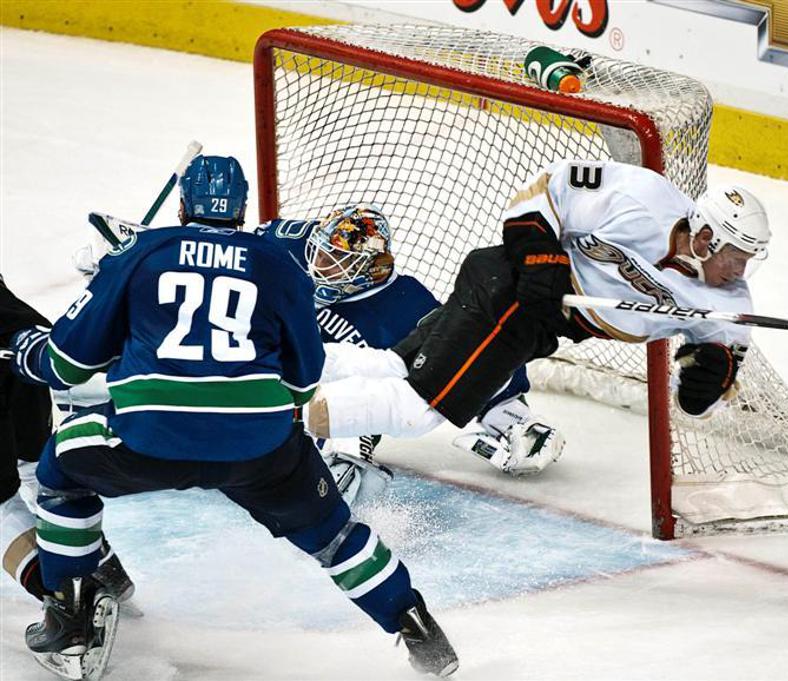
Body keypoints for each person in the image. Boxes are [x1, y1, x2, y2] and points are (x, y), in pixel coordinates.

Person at [9, 156, 458, 680]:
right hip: (261, 447)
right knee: (333, 535)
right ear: (242, 208)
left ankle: (72, 619)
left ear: (183, 205)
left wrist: (25, 350)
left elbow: (66, 363)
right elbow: (304, 381)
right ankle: (417, 627)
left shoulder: (140, 252)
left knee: (61, 474)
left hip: (148, 439)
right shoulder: (278, 263)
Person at [304, 160, 771, 444]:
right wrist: (542, 261)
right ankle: (279, 422)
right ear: (706, 237)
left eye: (748, 260)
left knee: (395, 366)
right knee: (417, 410)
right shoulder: (643, 197)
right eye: (735, 256)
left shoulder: (728, 306)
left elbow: (701, 401)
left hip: (541, 324)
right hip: (510, 291)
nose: (739, 270)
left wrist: (705, 383)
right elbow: (543, 190)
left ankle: (290, 364)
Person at [255, 205, 565, 494]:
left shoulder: (408, 309)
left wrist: (511, 416)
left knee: (364, 386)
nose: (320, 266)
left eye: (336, 261)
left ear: (369, 268)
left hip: (321, 384)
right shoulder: (290, 242)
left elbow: (475, 350)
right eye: (321, 252)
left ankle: (345, 450)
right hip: (262, 354)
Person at [0, 278, 133, 605]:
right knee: (36, 469)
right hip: (22, 346)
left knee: (1, 505)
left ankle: (71, 603)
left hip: (19, 348)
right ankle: (103, 569)